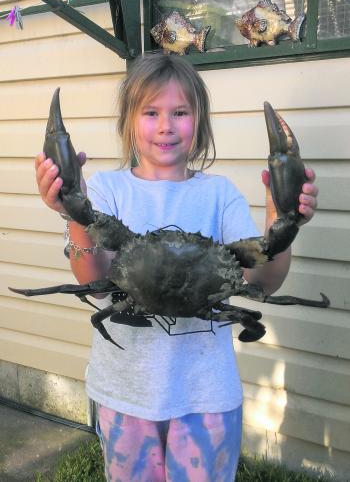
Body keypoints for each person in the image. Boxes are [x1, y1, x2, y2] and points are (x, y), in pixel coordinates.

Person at [35, 52, 318, 482]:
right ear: (129, 121)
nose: (166, 125)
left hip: (206, 396)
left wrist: (283, 218)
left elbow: (262, 281)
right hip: (127, 395)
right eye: (151, 112)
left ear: (199, 122)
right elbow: (93, 283)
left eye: (180, 112)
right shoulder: (105, 192)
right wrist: (74, 212)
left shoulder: (221, 196)